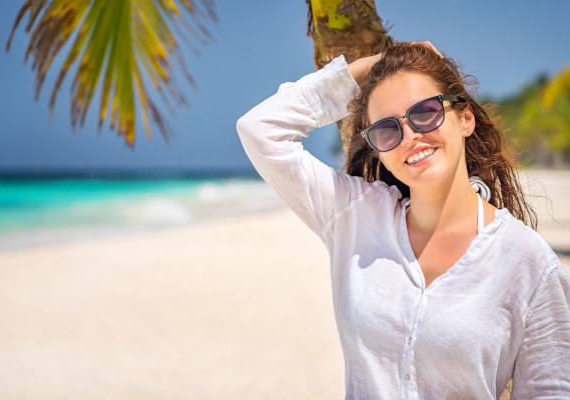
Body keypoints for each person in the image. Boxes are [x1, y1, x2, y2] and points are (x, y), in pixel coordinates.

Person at [236, 42, 570, 399]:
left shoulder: (527, 261)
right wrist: (372, 66)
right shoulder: (355, 216)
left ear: (466, 119)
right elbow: (259, 130)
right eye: (386, 129)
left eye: (425, 112)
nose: (410, 137)